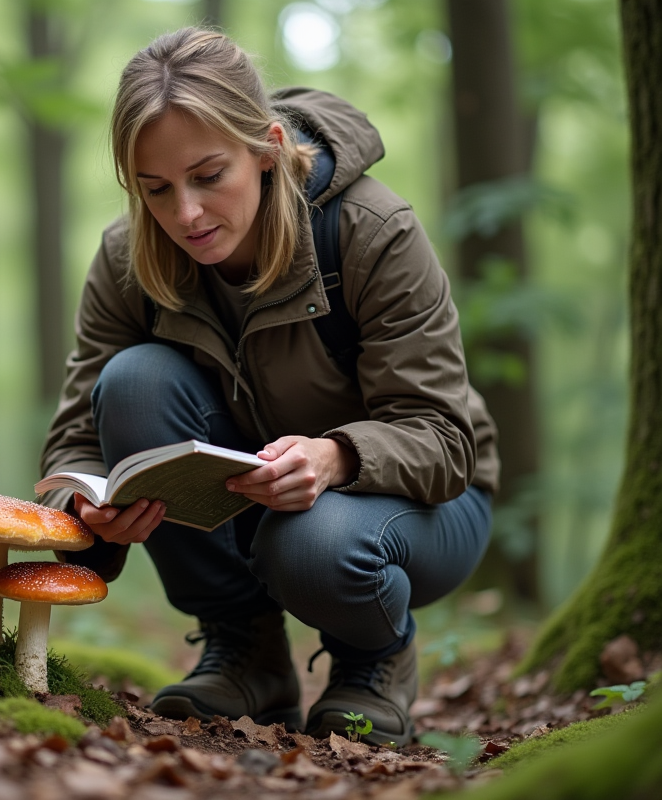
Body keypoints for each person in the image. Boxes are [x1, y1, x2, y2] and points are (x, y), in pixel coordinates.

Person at [37, 27, 499, 747]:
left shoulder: (372, 233)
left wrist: (337, 457)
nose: (184, 214)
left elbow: (444, 441)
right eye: (155, 189)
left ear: (267, 148)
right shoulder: (128, 259)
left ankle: (371, 663)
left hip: (421, 507)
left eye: (208, 176)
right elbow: (78, 433)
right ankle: (247, 654)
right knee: (132, 383)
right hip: (251, 503)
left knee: (311, 543)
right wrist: (85, 512)